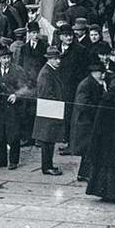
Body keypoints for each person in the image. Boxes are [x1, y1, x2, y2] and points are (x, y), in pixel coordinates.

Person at [85, 69, 115, 202]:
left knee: (106, 168)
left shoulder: (107, 99)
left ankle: (107, 192)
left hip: (106, 139)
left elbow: (99, 122)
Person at [71, 62, 108, 182]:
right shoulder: (86, 85)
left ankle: (84, 174)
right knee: (88, 149)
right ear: (94, 73)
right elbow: (82, 104)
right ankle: (86, 174)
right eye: (101, 73)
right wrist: (98, 109)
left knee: (88, 150)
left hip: (88, 121)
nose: (103, 75)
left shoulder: (94, 83)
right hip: (85, 122)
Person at [32, 46, 65, 175]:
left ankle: (48, 165)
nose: (58, 61)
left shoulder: (50, 70)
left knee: (49, 140)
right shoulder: (46, 73)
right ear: (49, 59)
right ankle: (47, 167)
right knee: (47, 140)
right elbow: (46, 95)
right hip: (49, 110)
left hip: (50, 109)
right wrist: (57, 104)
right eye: (56, 59)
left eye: (59, 58)